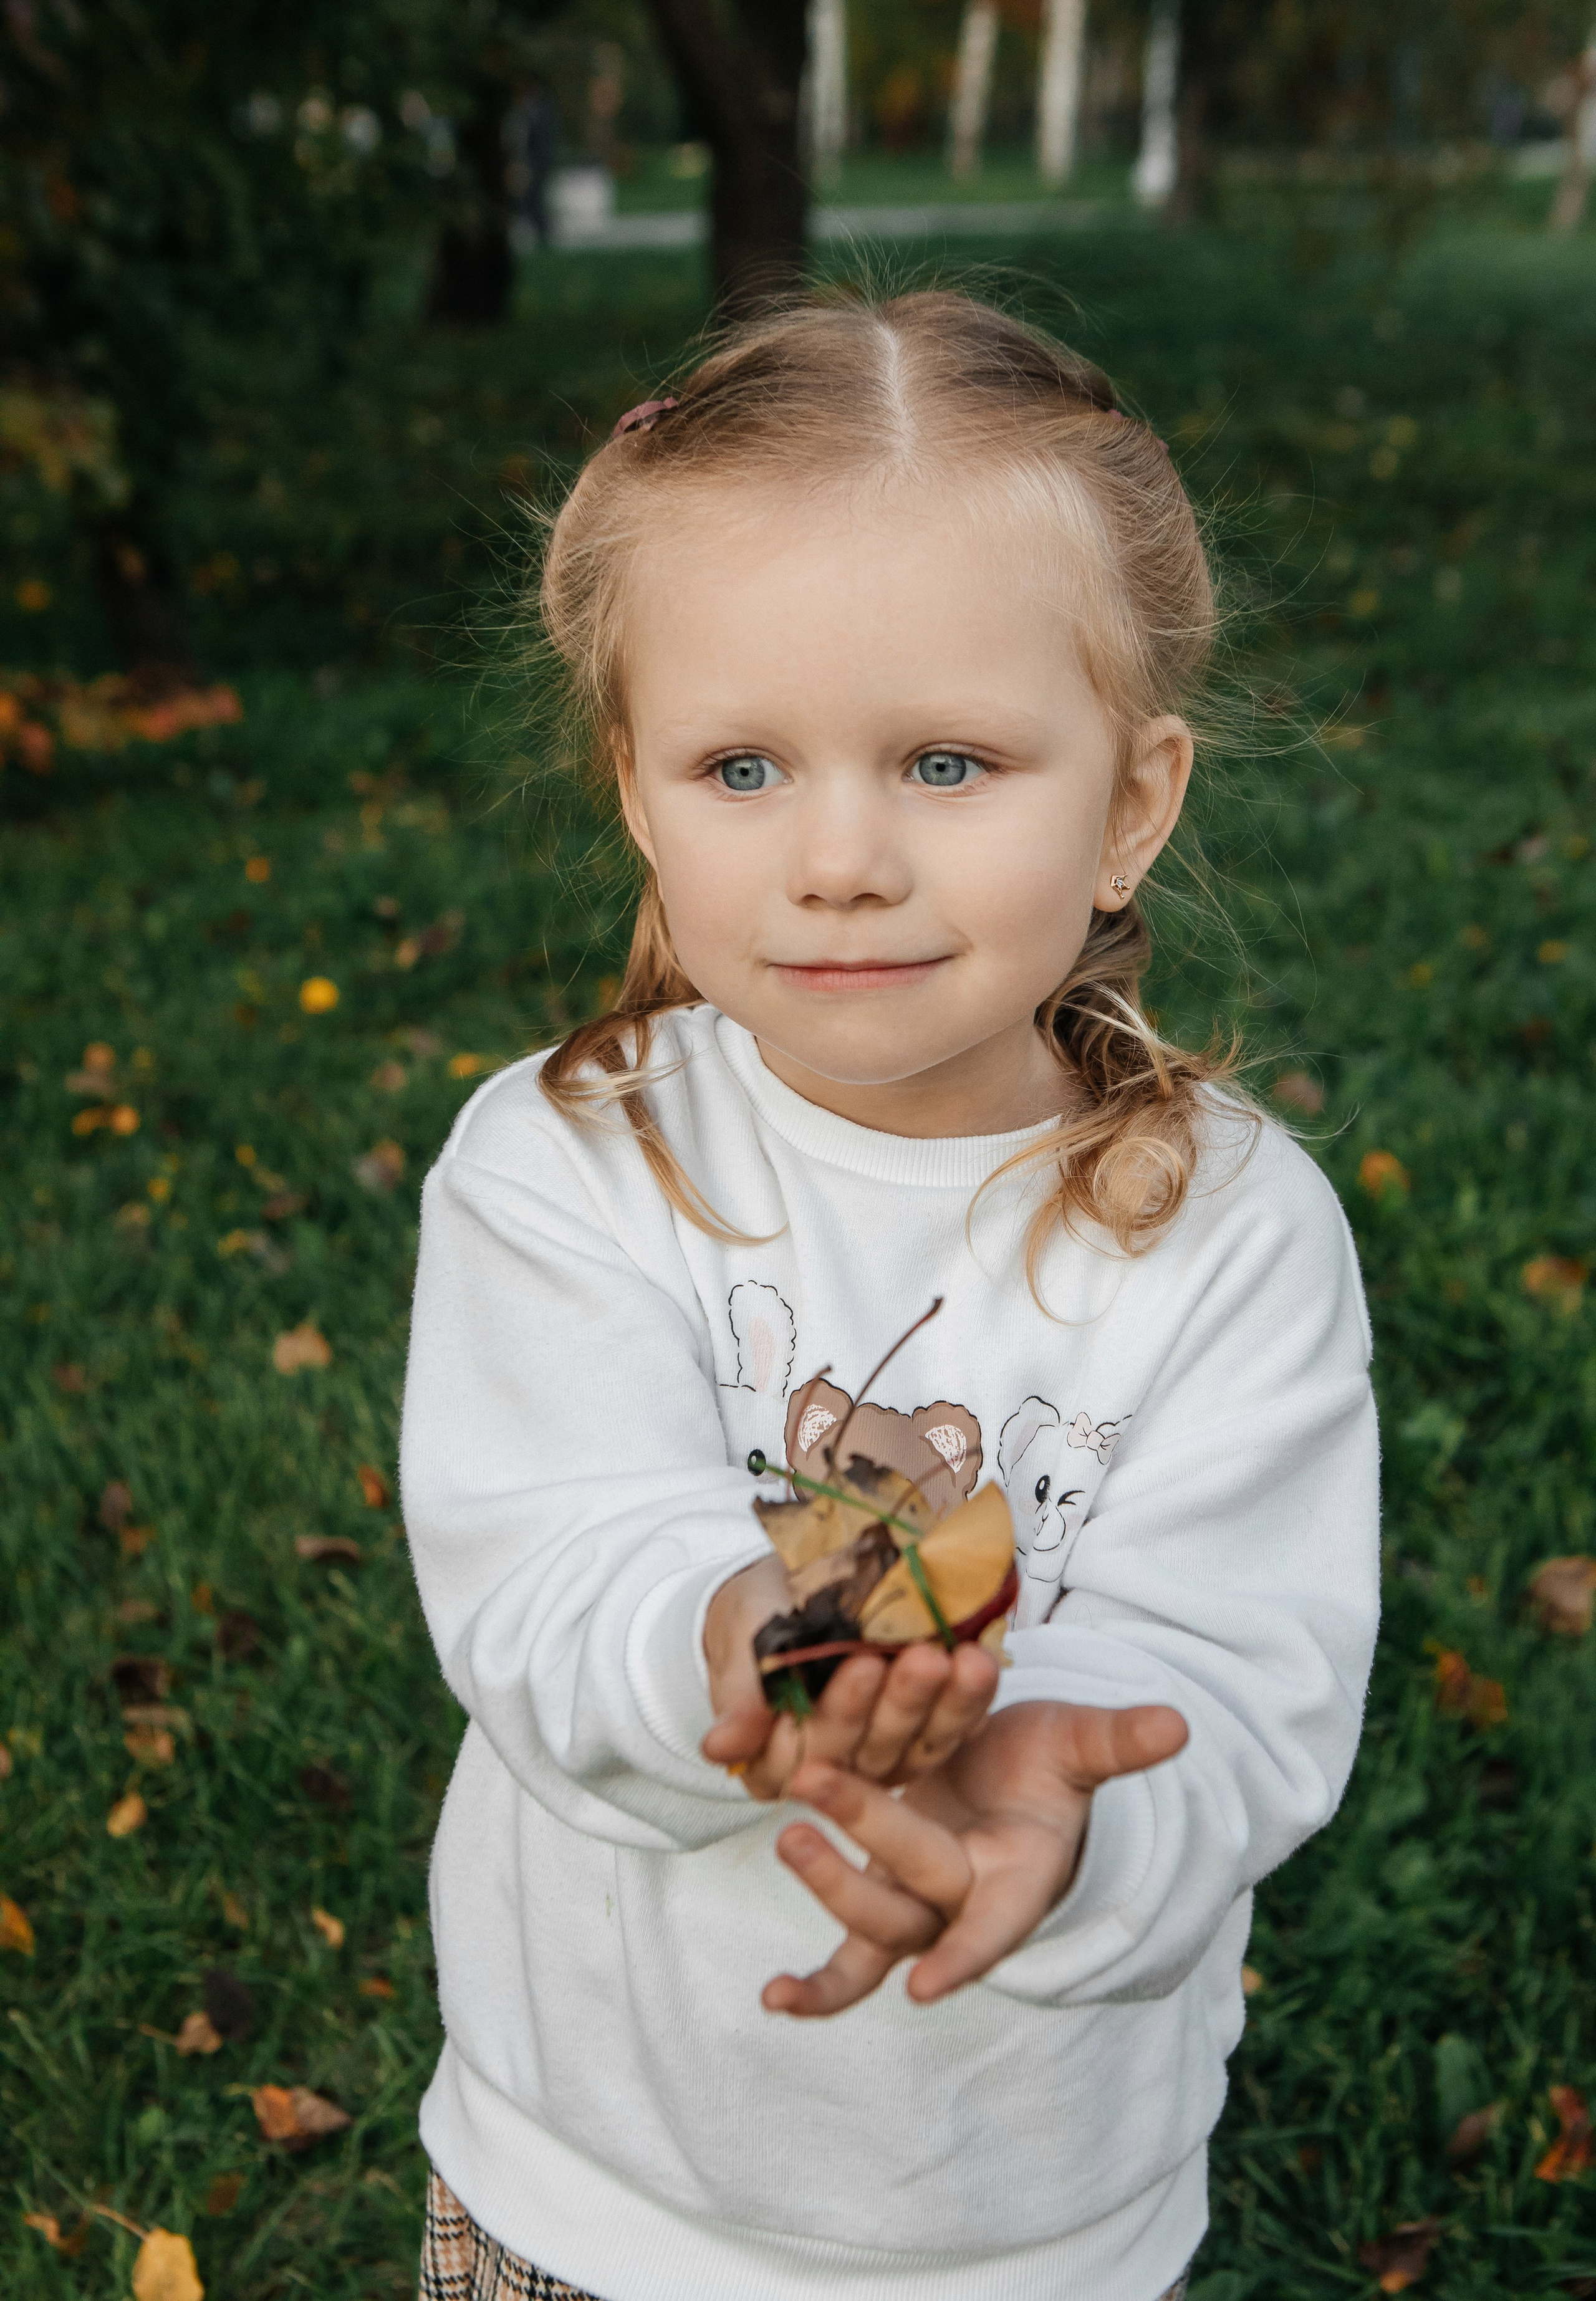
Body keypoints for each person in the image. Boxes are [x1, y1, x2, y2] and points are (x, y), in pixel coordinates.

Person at [401, 291, 1380, 2301]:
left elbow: (1246, 1676)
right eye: (742, 765)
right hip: (593, 2187)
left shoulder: (1236, 1237)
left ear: (1130, 800)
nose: (840, 856)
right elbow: (553, 1567)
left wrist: (1072, 1811)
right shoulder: (566, 1164)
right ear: (635, 793)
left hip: (1031, 2223)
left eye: (946, 760)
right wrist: (764, 1637)